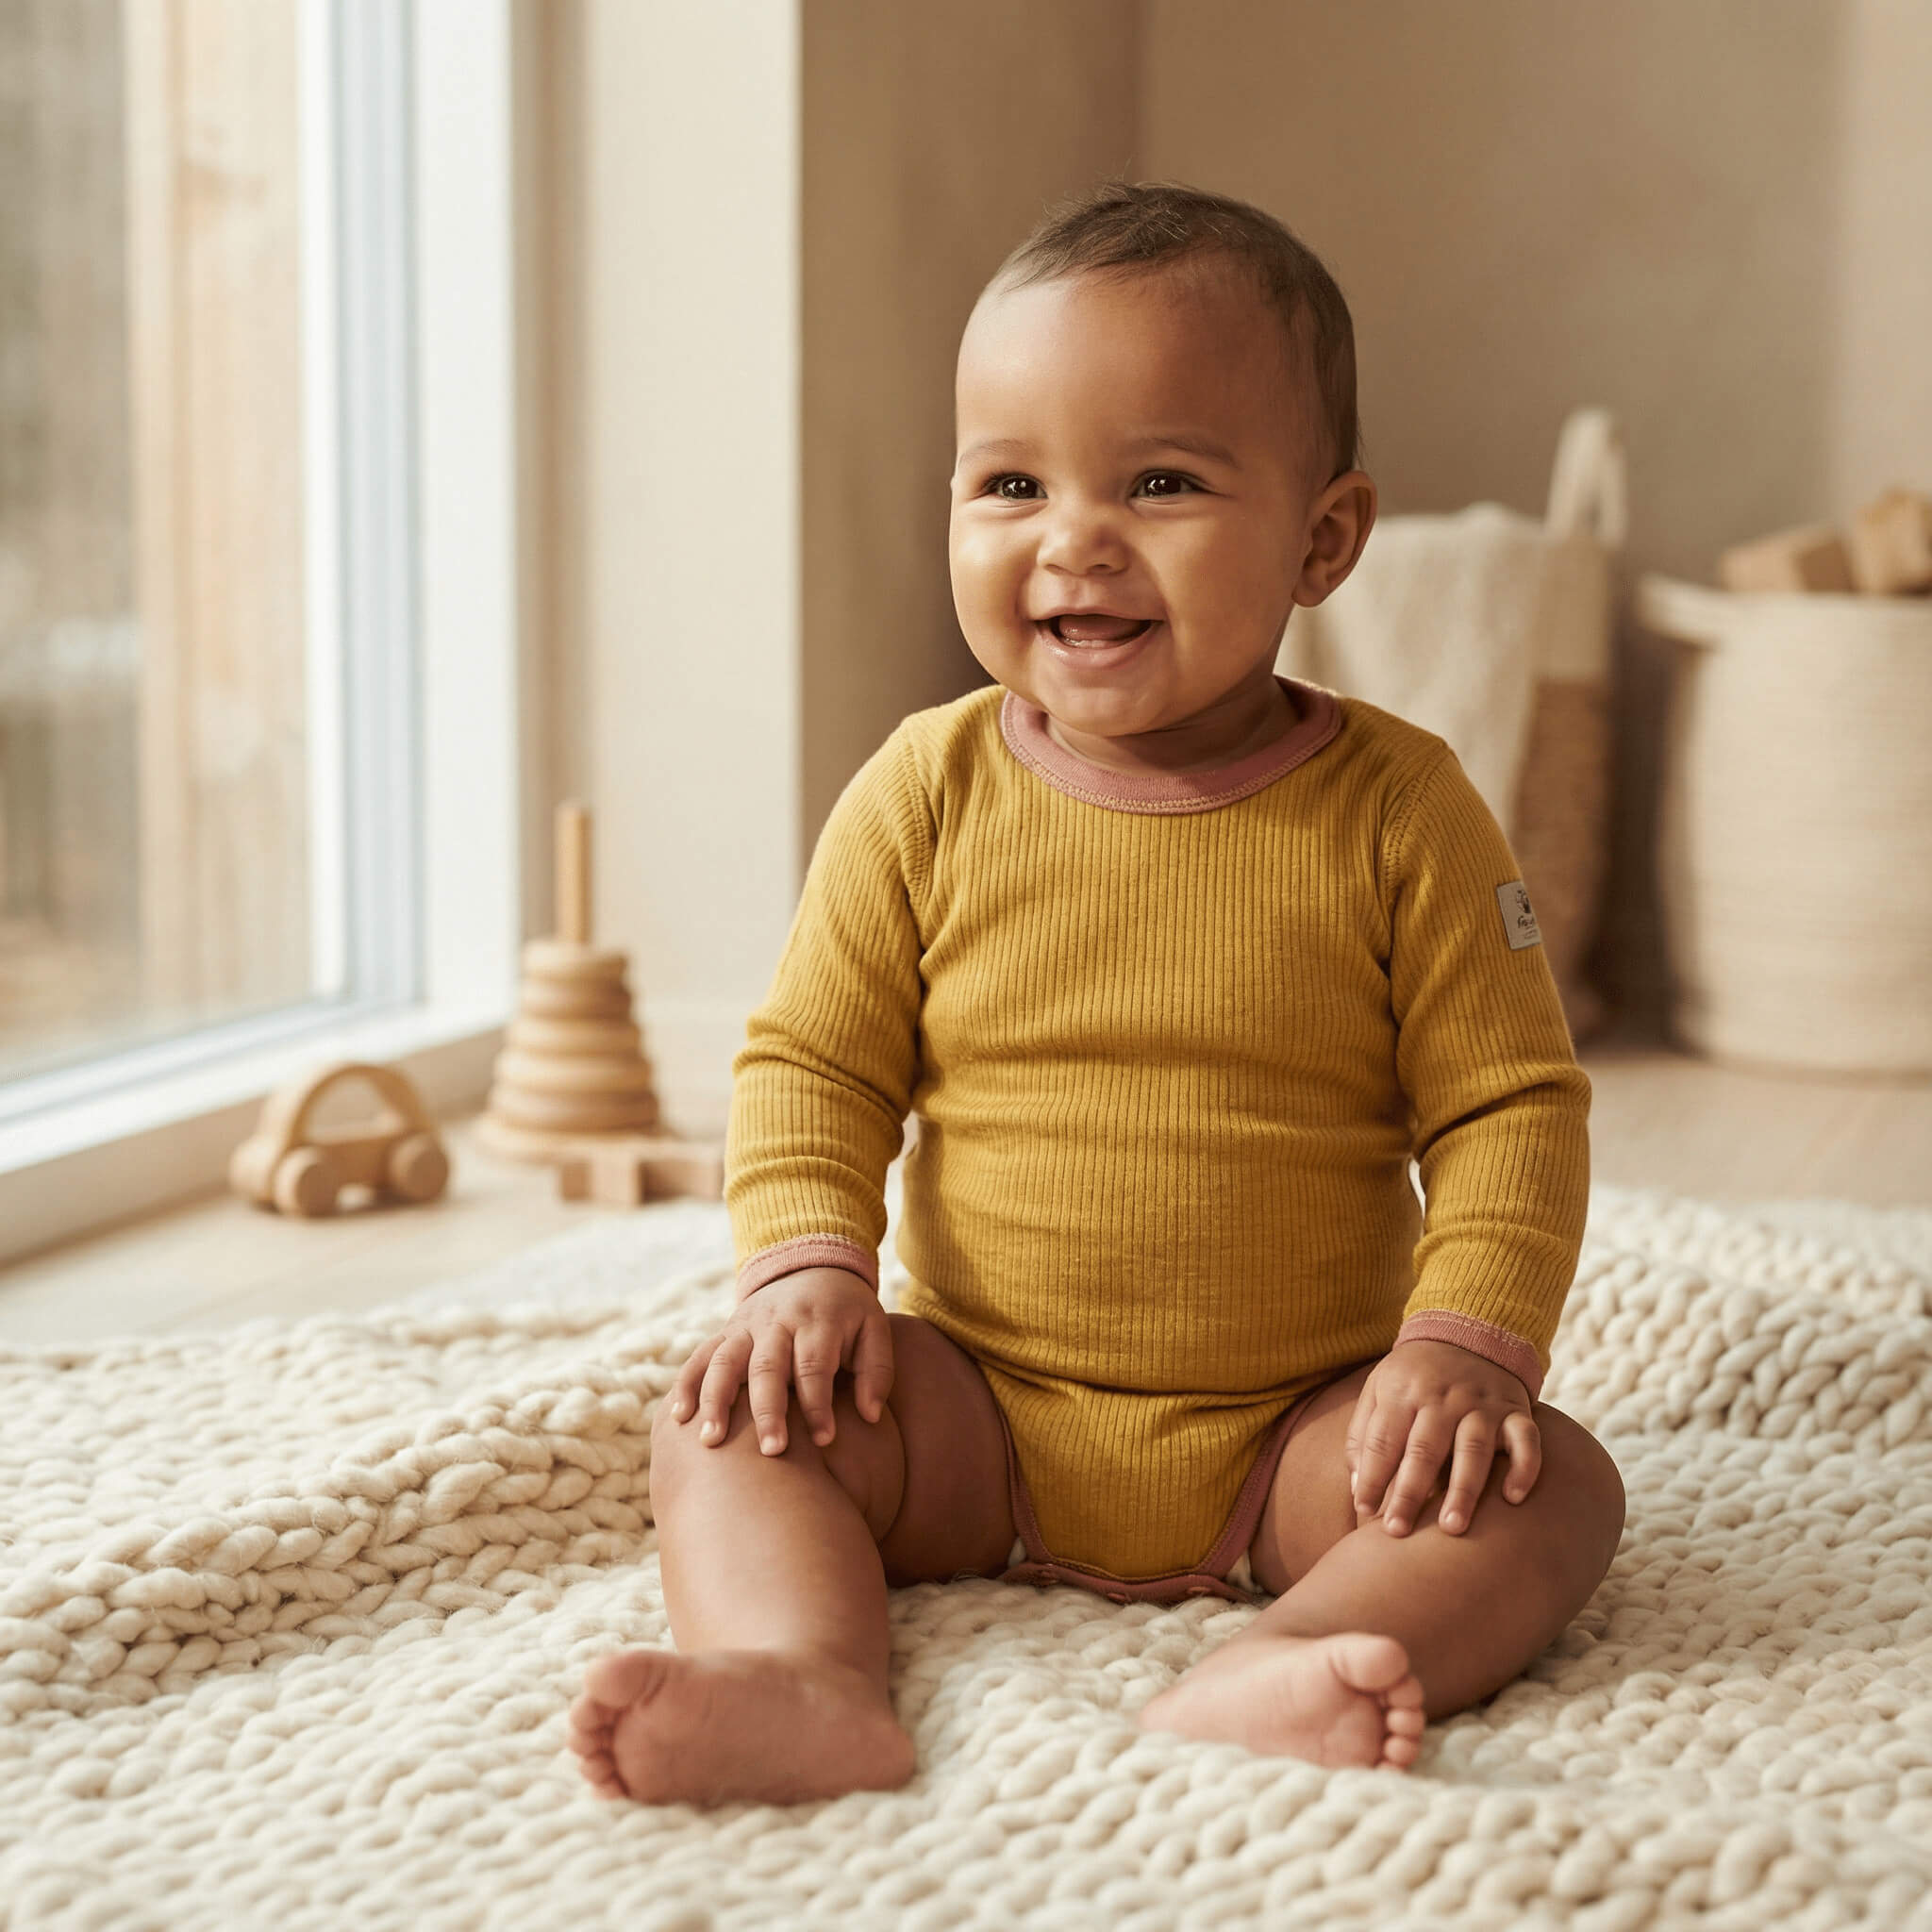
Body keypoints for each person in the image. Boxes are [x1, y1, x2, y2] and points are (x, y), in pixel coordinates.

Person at [567, 181, 1625, 1807]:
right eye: (1011, 481)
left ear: (1323, 539)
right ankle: (801, 1674)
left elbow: (1509, 1108)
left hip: (1297, 1437)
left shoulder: (1404, 808)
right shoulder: (923, 789)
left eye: (1161, 480)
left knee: (1553, 1493)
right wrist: (804, 1270)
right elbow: (813, 1064)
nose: (1072, 536)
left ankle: (1284, 1657)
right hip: (970, 1413)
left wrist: (1464, 1349)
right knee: (725, 1425)